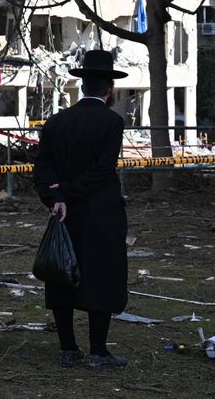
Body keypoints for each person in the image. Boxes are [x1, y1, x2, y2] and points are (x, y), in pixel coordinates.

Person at [33, 49, 129, 370]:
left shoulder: (56, 122)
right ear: (109, 88)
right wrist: (68, 194)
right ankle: (98, 351)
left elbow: (42, 168)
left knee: (62, 274)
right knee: (101, 277)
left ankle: (68, 348)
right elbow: (103, 170)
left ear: (82, 85)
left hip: (64, 214)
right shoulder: (112, 122)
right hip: (100, 213)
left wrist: (55, 197)